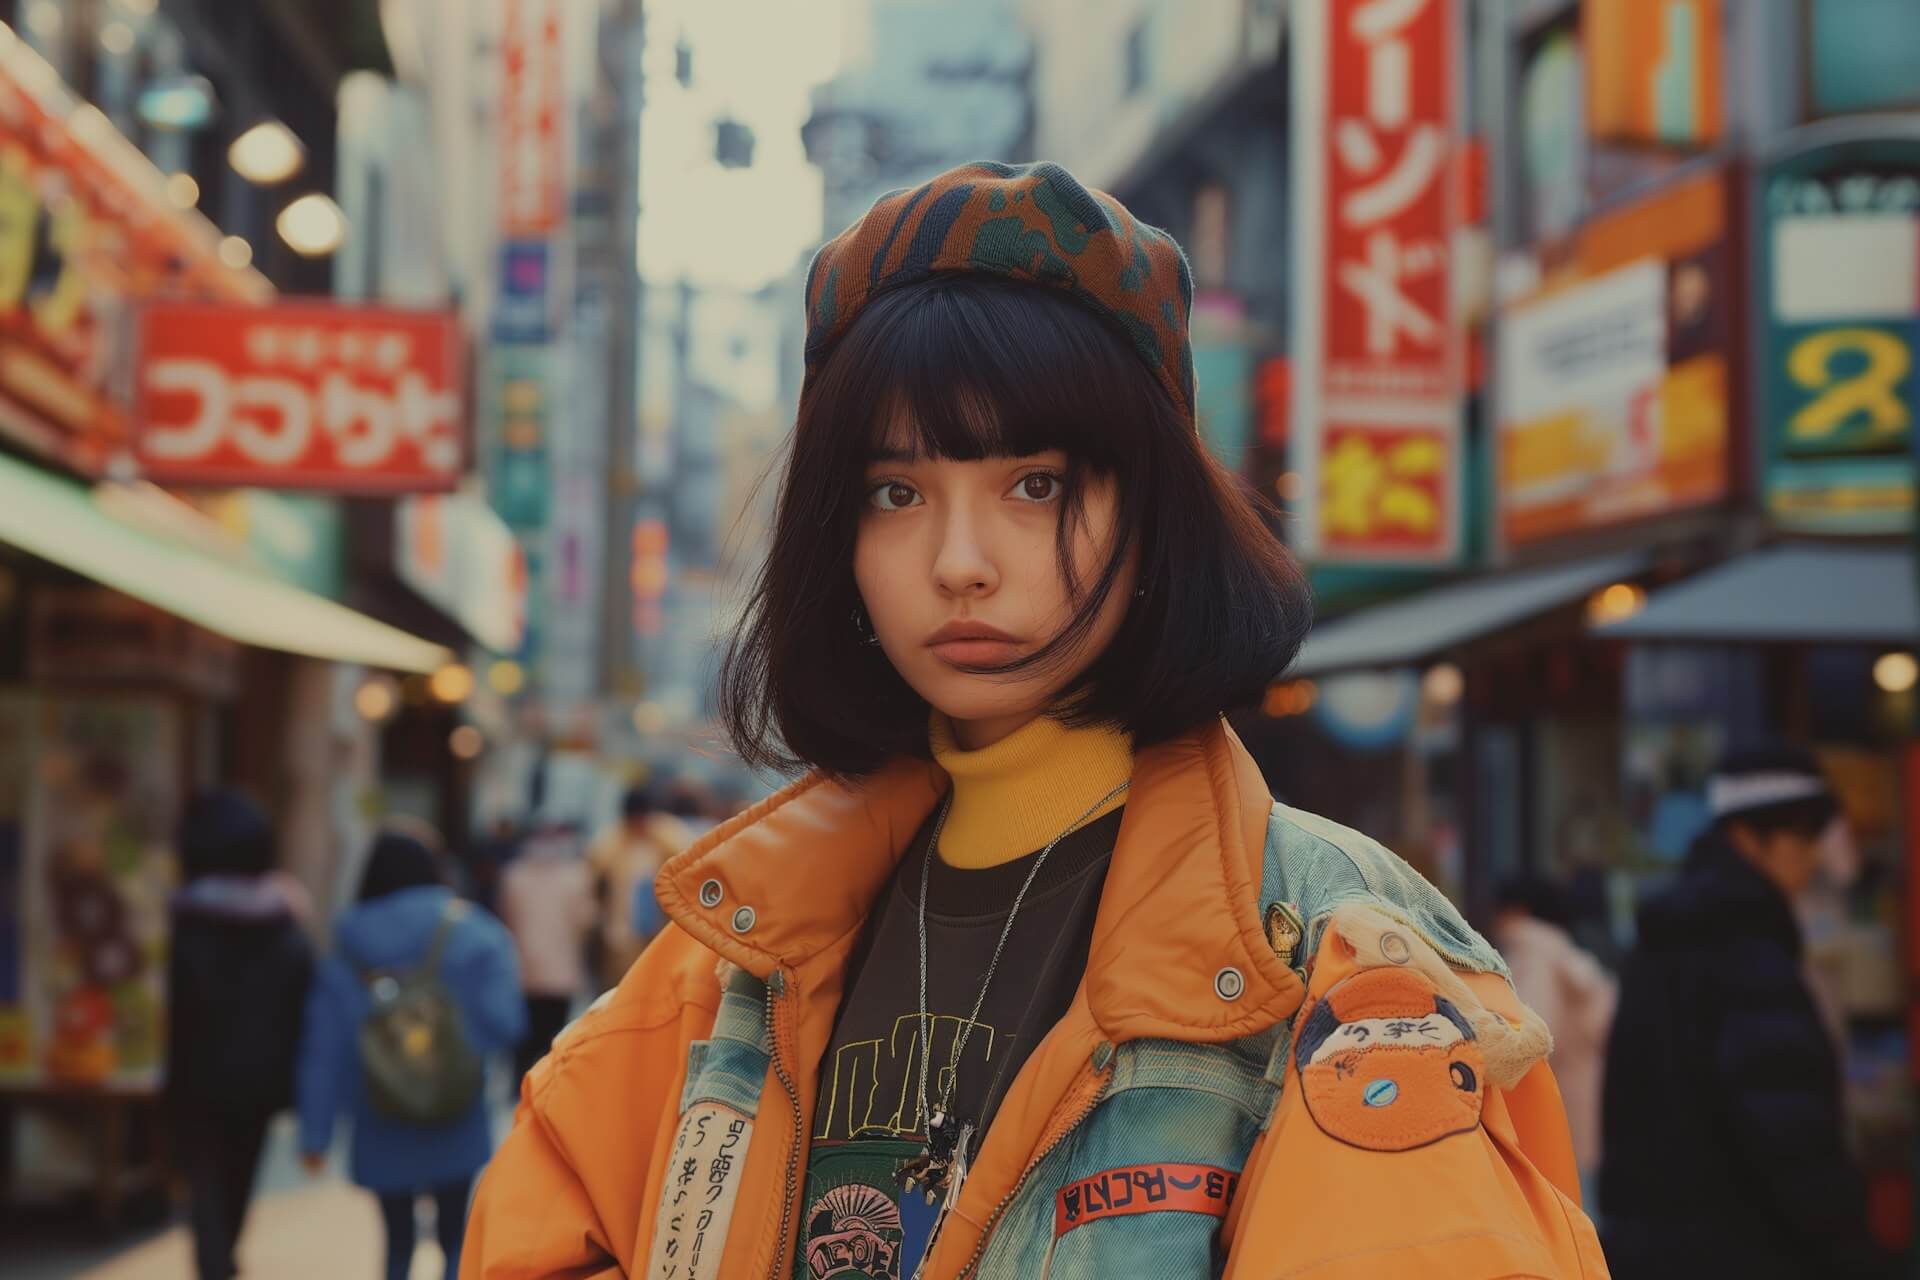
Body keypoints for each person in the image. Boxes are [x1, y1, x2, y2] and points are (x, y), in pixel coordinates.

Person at [463, 160, 1604, 1278]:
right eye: (896, 492)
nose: (961, 563)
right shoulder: (729, 962)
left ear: (1153, 507)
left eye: (1037, 484)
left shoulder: (1335, 958)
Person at [1601, 746, 1893, 1278]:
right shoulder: (1744, 946)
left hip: (1656, 1248)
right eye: (1802, 835)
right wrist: (1855, 1254)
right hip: (1744, 1250)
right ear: (1748, 836)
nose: (1812, 855)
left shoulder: (1666, 936)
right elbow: (1790, 1135)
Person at [297, 823, 524, 1280]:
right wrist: (457, 1050)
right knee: (456, 1236)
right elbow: (507, 1021)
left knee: (397, 1240)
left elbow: (323, 1048)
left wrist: (315, 1135)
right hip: (455, 1109)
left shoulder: (347, 946)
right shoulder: (475, 932)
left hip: (380, 1113)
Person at [166, 789, 314, 1280]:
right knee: (238, 1178)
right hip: (261, 1081)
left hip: (197, 1080)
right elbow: (302, 1009)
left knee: (204, 1186)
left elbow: (177, 1013)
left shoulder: (186, 922)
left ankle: (216, 1264)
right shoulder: (287, 925)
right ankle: (222, 1259)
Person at [1493, 874, 1616, 1208]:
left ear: (1516, 911)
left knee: (1564, 1209)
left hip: (1554, 1104)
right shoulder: (1564, 950)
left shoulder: (1533, 953)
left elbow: (1531, 1031)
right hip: (1584, 1097)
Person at [497, 822, 596, 1079]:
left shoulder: (514, 875)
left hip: (523, 972)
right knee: (553, 1042)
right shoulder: (576, 876)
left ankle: (519, 1089)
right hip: (561, 975)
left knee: (524, 1040)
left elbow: (506, 919)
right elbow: (585, 922)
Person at [587, 783, 694, 990]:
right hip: (619, 936)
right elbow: (596, 884)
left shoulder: (670, 836)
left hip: (660, 931)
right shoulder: (610, 842)